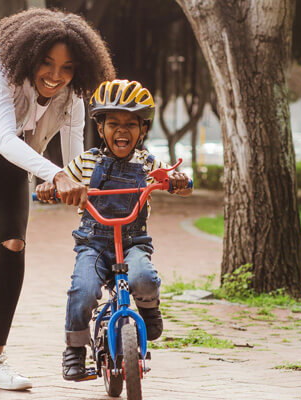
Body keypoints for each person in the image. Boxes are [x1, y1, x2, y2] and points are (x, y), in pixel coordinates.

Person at [0, 8, 113, 390]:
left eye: (67, 68)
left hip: (6, 150)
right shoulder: (0, 71)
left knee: (13, 243)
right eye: (47, 63)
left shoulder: (72, 97)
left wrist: (75, 181)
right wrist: (54, 174)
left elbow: (73, 154)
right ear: (28, 56)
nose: (55, 76)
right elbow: (7, 138)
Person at [34, 79, 192, 381]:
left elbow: (176, 185)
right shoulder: (88, 161)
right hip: (94, 243)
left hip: (133, 242)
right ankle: (75, 349)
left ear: (143, 129)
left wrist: (179, 182)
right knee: (83, 291)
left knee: (144, 278)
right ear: (100, 126)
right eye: (114, 123)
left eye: (131, 124)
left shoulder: (147, 163)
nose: (122, 130)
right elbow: (62, 181)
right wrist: (50, 186)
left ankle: (148, 309)